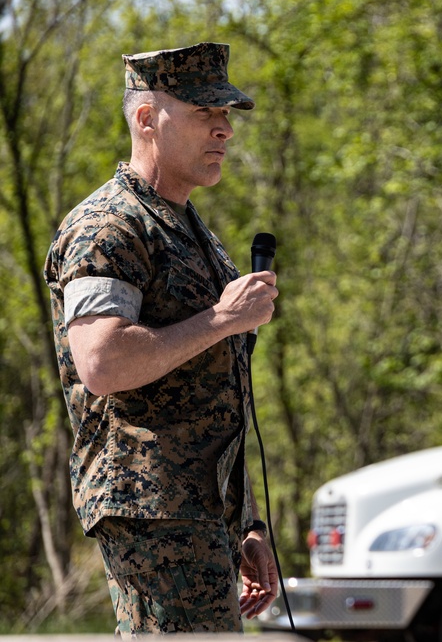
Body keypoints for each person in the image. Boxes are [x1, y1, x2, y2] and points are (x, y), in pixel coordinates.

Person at [43, 42, 279, 634]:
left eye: (228, 115)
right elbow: (102, 362)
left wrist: (247, 521)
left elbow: (215, 393)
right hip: (151, 512)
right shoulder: (108, 226)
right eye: (206, 114)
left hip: (203, 513)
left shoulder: (191, 228)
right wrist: (221, 320)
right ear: (147, 118)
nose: (225, 130)